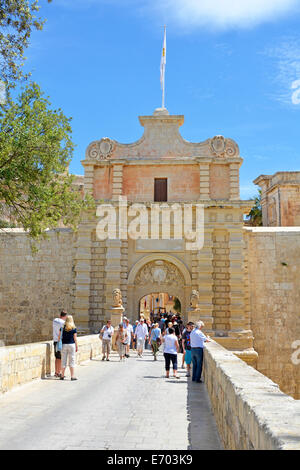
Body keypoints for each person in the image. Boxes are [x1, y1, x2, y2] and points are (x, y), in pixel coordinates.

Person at [58, 315, 78, 381]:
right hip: (71, 344)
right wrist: (76, 346)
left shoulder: (62, 328)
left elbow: (59, 337)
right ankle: (72, 376)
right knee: (72, 360)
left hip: (64, 345)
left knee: (63, 360)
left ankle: (62, 375)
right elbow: (75, 338)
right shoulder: (74, 328)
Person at [52, 310, 67, 378]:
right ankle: (60, 372)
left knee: (57, 357)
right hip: (61, 341)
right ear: (65, 316)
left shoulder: (54, 320)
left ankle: (56, 372)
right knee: (61, 358)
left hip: (55, 341)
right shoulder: (63, 323)